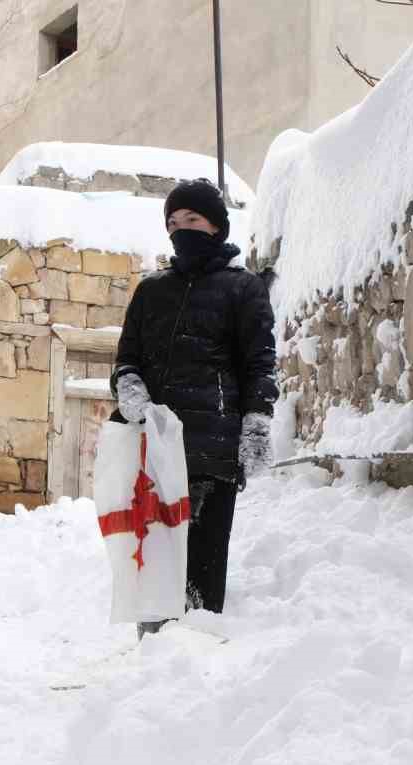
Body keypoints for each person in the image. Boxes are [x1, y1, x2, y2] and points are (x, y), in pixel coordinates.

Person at [109, 178, 277, 630]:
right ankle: (154, 663)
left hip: (211, 452)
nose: (181, 228)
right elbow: (127, 359)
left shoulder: (243, 290)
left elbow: (260, 365)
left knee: (200, 571)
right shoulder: (151, 292)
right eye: (174, 221)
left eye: (193, 219)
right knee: (155, 568)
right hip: (155, 453)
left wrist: (257, 422)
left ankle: (196, 664)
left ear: (217, 227)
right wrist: (128, 387)